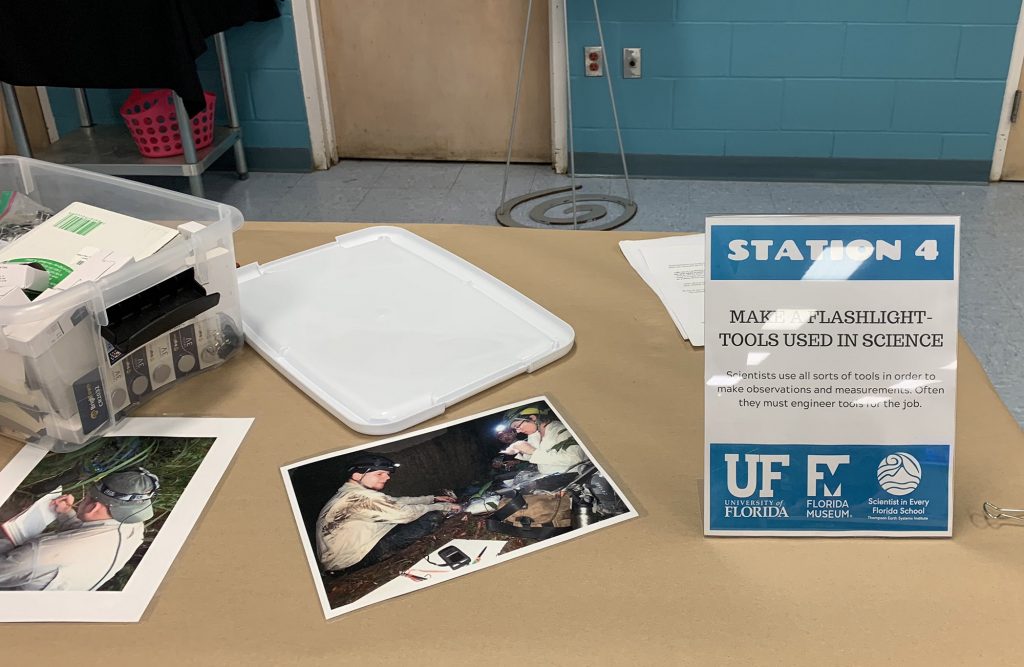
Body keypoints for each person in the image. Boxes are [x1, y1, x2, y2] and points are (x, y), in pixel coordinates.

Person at [0, 468, 159, 591]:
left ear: (93, 507)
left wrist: (7, 538)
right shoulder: (134, 526)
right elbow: (88, 539)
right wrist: (66, 514)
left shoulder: (40, 553)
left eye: (88, 497)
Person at [316, 454, 461, 572]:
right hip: (351, 560)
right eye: (379, 473)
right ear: (356, 476)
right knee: (430, 517)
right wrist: (440, 507)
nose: (387, 477)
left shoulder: (351, 494)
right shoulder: (359, 498)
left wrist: (432, 499)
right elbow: (405, 514)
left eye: (387, 474)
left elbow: (396, 501)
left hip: (343, 557)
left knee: (407, 515)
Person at [501, 406, 587, 475]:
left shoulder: (561, 430)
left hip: (574, 476)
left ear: (532, 418)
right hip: (552, 478)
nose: (518, 431)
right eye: (515, 429)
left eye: (517, 426)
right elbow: (536, 457)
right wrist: (519, 451)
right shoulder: (534, 434)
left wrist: (532, 451)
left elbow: (575, 458)